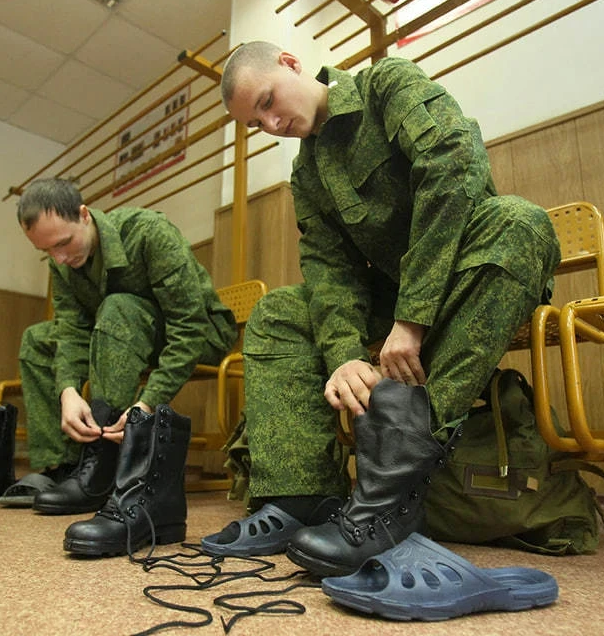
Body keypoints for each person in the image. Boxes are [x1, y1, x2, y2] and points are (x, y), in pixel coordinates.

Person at [200, 41, 561, 576]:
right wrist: (346, 355)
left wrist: (411, 319)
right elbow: (330, 270)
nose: (273, 122)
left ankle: (392, 487)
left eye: (270, 101)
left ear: (291, 63)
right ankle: (302, 497)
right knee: (279, 313)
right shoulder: (307, 175)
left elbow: (453, 168)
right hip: (393, 302)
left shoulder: (387, 85)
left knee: (520, 222)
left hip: (467, 269)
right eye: (258, 122)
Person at [0, 179, 237, 550]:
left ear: (84, 215)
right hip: (120, 331)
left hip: (199, 334)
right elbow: (71, 331)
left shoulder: (148, 232)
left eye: (64, 243)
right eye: (47, 252)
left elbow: (189, 327)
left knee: (118, 308)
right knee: (37, 339)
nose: (60, 258)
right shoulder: (62, 262)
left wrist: (146, 404)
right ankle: (62, 467)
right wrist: (66, 390)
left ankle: (105, 463)